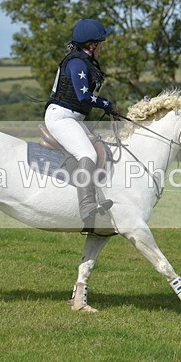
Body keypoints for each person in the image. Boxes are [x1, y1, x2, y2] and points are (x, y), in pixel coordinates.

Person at [45, 18, 118, 223]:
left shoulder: (85, 61)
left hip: (73, 118)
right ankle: (86, 205)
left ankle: (96, 196)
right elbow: (83, 96)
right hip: (62, 117)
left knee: (100, 147)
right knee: (87, 152)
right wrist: (107, 105)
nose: (103, 47)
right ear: (92, 45)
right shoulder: (77, 62)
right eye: (101, 43)